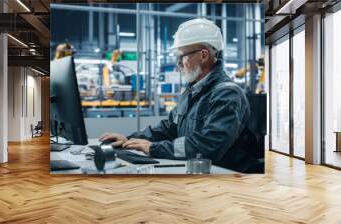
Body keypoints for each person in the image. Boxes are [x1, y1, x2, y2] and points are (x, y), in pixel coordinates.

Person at [100, 18, 263, 173]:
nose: (178, 64)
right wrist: (129, 140)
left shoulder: (227, 94)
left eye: (182, 56)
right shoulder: (192, 91)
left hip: (228, 177)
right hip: (200, 172)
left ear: (204, 55)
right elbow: (169, 128)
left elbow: (208, 146)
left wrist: (153, 148)